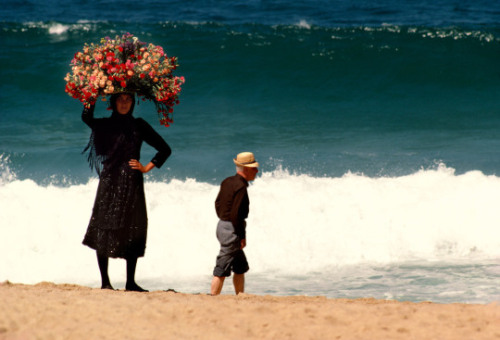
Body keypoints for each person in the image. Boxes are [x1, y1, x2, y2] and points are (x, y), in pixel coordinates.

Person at [81, 92, 171, 292]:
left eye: (128, 99)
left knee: (133, 227)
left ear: (133, 103)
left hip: (132, 181)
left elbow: (165, 149)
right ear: (113, 102)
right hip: (109, 180)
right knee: (103, 226)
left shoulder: (139, 125)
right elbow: (86, 117)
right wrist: (92, 93)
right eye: (120, 99)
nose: (124, 103)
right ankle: (105, 282)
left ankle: (130, 282)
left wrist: (147, 167)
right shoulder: (104, 124)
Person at [210, 152, 259, 295]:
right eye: (254, 168)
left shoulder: (227, 181)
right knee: (222, 267)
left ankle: (240, 296)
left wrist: (223, 219)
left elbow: (217, 203)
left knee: (240, 266)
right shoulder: (241, 187)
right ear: (247, 169)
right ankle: (213, 297)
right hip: (232, 229)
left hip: (222, 225)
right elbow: (236, 215)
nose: (256, 171)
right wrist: (242, 236)